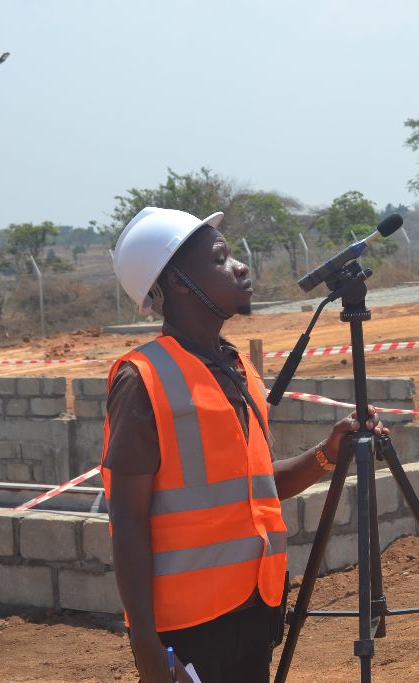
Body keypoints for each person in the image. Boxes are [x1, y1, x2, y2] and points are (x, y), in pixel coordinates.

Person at [101, 207, 385, 683]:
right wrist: (146, 646)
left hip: (255, 609)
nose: (240, 267)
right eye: (220, 259)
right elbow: (126, 520)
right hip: (188, 630)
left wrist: (325, 453)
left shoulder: (238, 370)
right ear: (175, 283)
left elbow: (259, 486)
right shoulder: (142, 380)